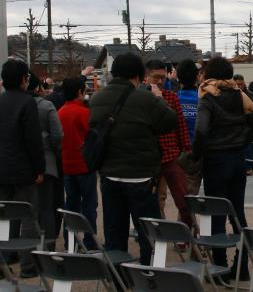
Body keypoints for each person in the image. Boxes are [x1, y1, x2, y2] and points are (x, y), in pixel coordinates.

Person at [90, 53, 176, 265]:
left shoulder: (97, 98)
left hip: (109, 175)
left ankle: (118, 275)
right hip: (140, 175)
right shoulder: (145, 98)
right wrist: (159, 98)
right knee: (147, 230)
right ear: (138, 75)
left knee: (114, 230)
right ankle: (147, 275)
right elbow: (169, 123)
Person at [194, 56, 253, 282]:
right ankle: (241, 266)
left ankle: (220, 269)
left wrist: (198, 154)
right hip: (238, 159)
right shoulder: (239, 94)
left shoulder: (207, 97)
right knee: (237, 213)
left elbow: (202, 130)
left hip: (215, 160)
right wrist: (243, 140)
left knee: (216, 213)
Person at [0, 59, 45, 278]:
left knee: (2, 217)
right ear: (23, 79)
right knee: (27, 216)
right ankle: (28, 266)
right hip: (22, 169)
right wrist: (39, 168)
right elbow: (33, 140)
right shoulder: (26, 102)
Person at [144, 60, 193, 228]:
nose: (159, 81)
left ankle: (186, 234)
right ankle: (159, 233)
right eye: (156, 77)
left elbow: (180, 124)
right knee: (156, 198)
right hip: (150, 157)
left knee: (183, 197)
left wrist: (186, 149)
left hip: (171, 154)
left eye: (163, 78)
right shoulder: (140, 97)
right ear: (146, 77)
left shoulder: (172, 96)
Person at [58, 76, 99, 250]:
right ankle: (90, 241)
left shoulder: (59, 112)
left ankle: (70, 241)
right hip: (85, 165)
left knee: (71, 205)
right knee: (89, 205)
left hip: (67, 166)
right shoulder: (84, 112)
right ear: (79, 92)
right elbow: (93, 136)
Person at [27, 73, 64, 249]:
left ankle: (11, 252)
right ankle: (48, 246)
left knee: (19, 209)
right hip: (46, 162)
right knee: (46, 207)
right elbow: (58, 135)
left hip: (15, 166)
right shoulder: (45, 105)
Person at [177, 60, 202, 195]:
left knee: (185, 197)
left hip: (180, 154)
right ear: (197, 77)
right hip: (202, 151)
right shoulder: (203, 100)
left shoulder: (174, 99)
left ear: (178, 78)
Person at [234, 74, 253, 173]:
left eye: (241, 84)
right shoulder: (232, 96)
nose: (239, 86)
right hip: (240, 127)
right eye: (237, 84)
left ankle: (251, 166)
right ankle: (247, 167)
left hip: (252, 125)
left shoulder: (252, 95)